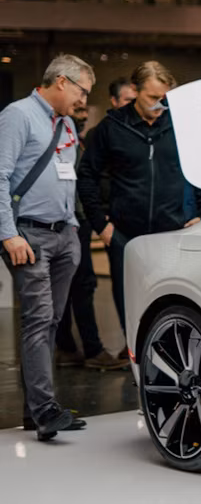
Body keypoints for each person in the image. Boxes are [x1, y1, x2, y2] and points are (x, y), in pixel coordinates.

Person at [78, 61, 201, 355]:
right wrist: (101, 224)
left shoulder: (180, 126)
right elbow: (87, 175)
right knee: (130, 307)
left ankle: (172, 365)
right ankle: (138, 368)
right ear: (135, 90)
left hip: (172, 234)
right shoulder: (111, 129)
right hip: (125, 236)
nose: (159, 105)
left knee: (174, 306)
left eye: (164, 98)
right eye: (152, 98)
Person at [0, 54, 96, 440]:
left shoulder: (67, 124)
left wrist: (72, 228)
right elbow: (0, 175)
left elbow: (67, 179)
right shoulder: (18, 115)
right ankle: (45, 410)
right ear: (60, 81)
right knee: (39, 320)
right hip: (29, 236)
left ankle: (36, 412)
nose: (84, 99)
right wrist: (9, 234)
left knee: (52, 321)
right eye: (81, 90)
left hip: (62, 236)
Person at [53, 104, 124, 370]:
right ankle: (88, 349)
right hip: (71, 219)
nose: (82, 115)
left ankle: (69, 348)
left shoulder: (79, 141)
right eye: (78, 109)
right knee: (80, 284)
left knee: (77, 284)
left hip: (78, 218)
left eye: (84, 110)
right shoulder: (61, 138)